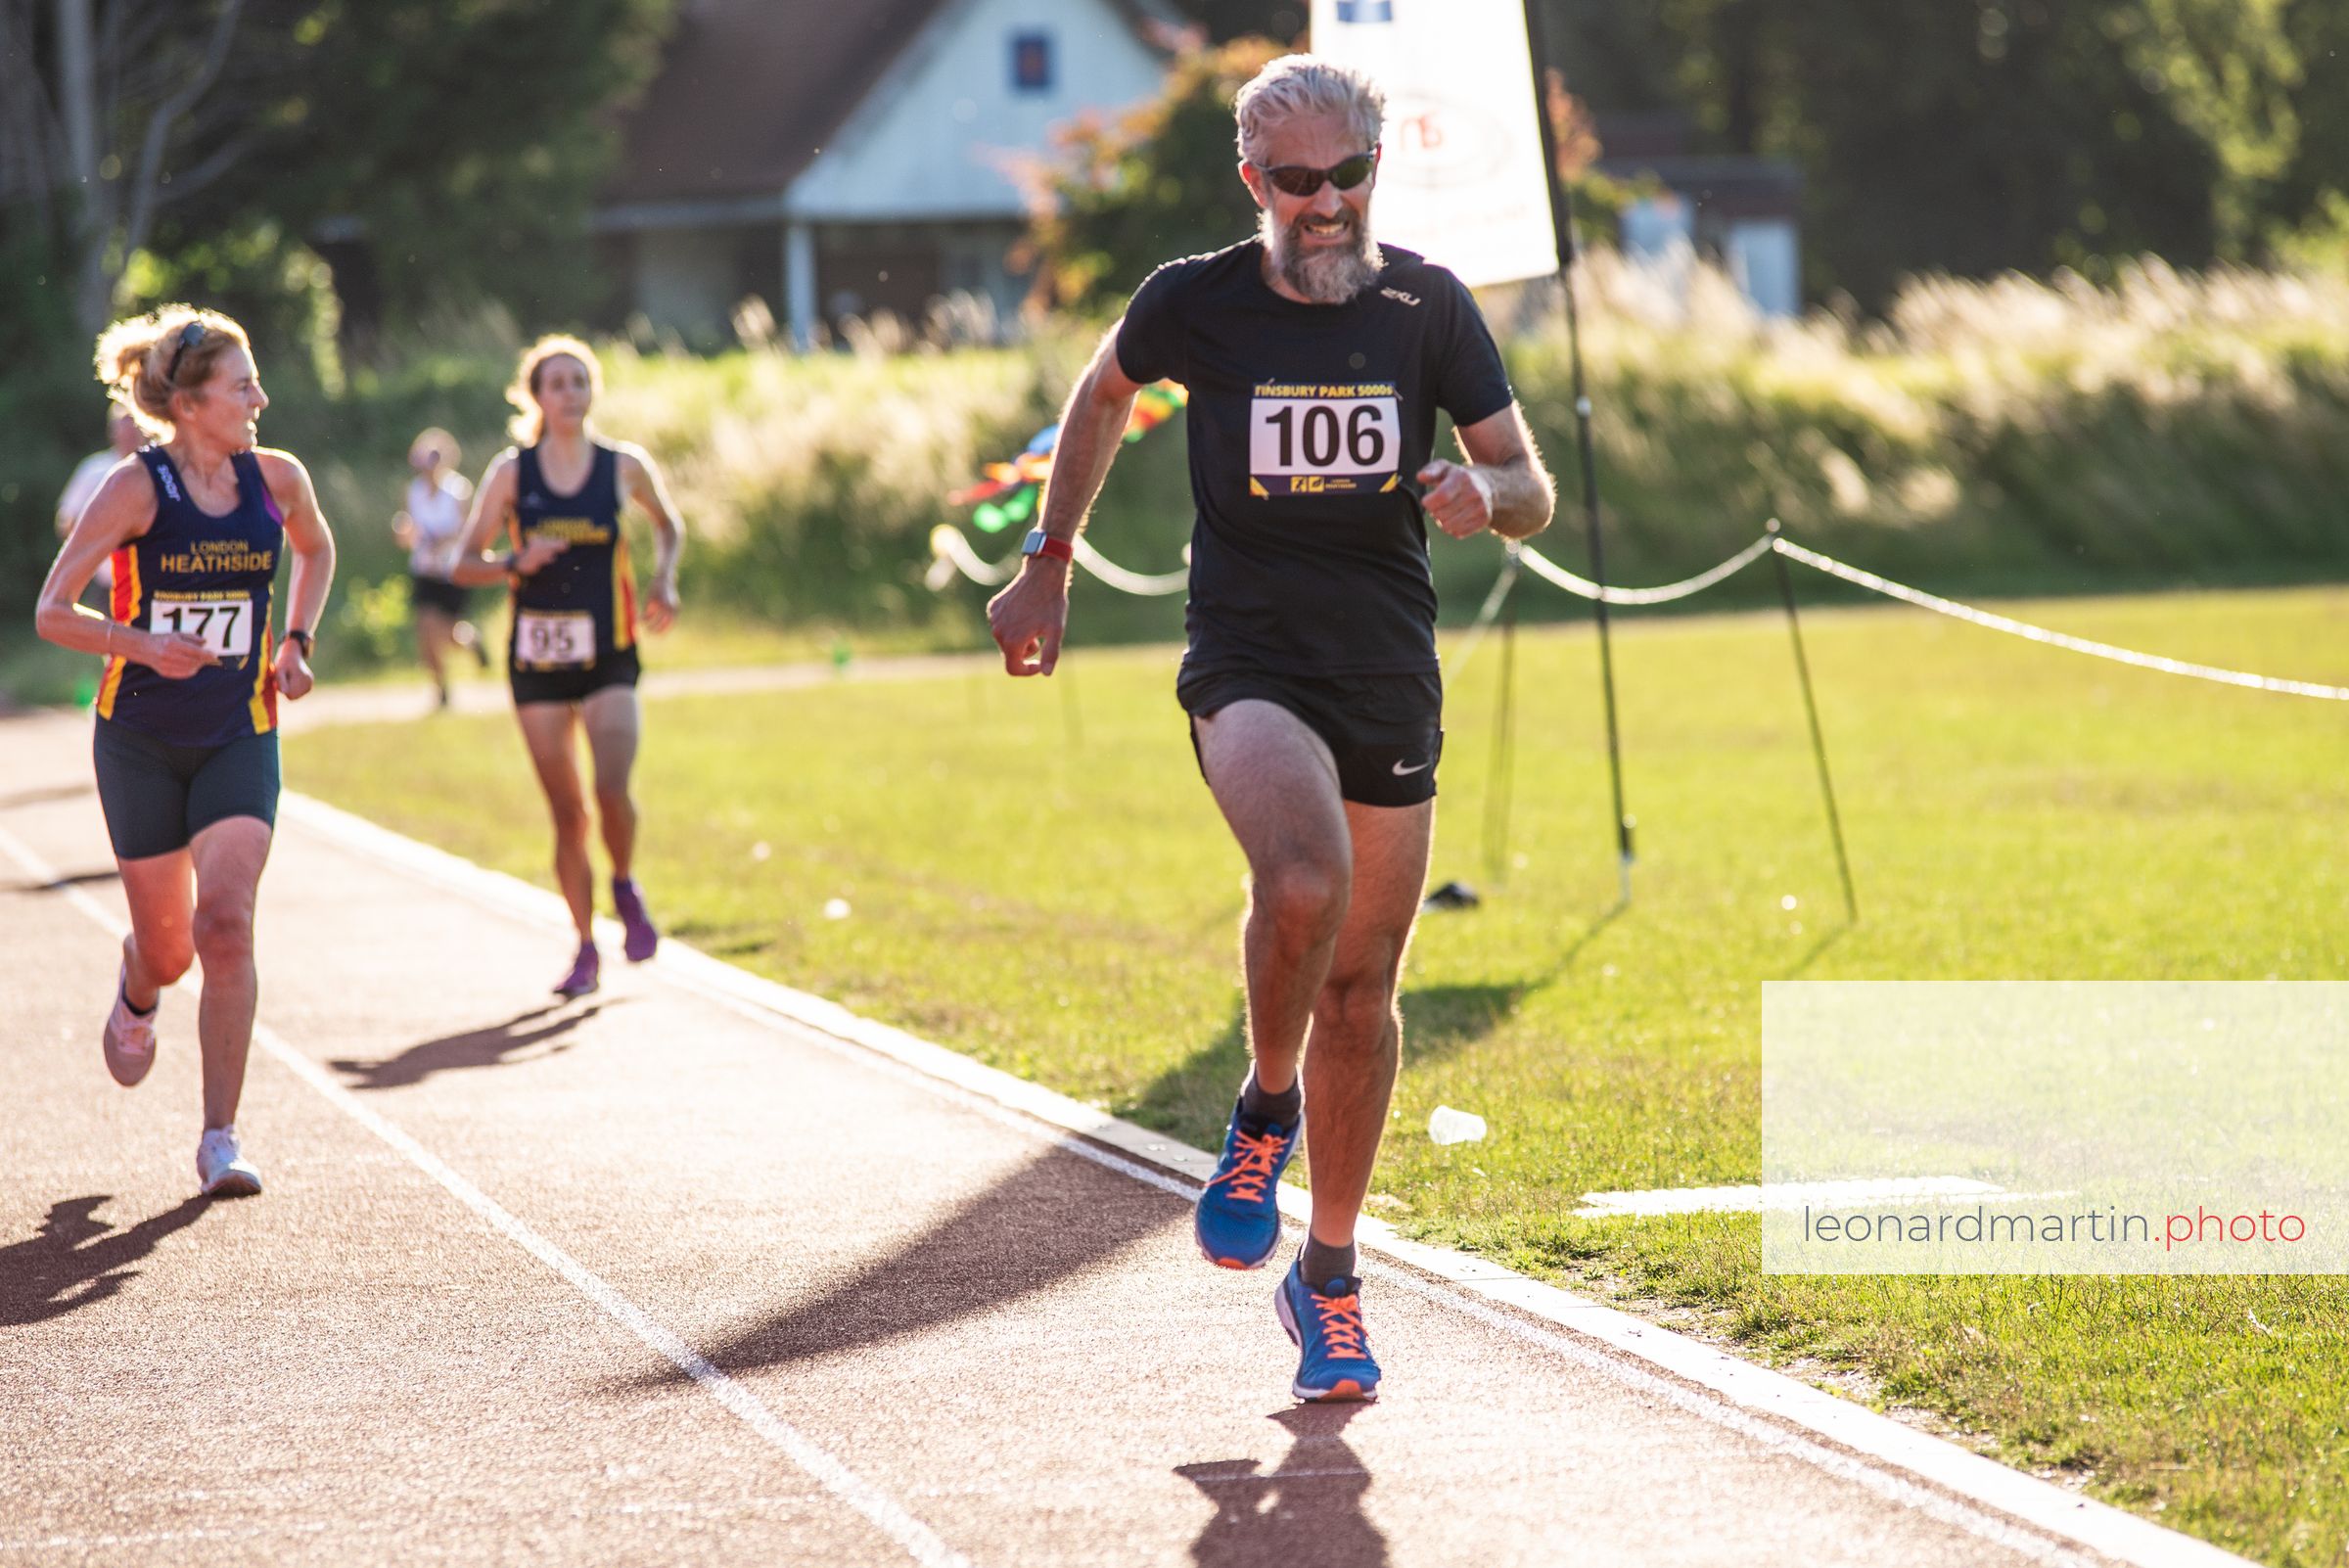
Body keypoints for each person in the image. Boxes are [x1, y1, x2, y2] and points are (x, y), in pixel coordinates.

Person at [987, 55, 1555, 1403]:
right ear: (1254, 182)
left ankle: (1331, 1279)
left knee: (1364, 988)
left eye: (1346, 174)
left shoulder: (1428, 306)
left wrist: (1486, 494)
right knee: (1303, 880)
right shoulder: (1194, 301)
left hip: (1388, 672)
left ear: (1375, 168)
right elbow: (1103, 394)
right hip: (1248, 661)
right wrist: (1049, 559)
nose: (1325, 201)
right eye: (1296, 180)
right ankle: (1264, 1107)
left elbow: (1528, 484)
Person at [33, 305, 338, 1197]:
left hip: (240, 733)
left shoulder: (277, 479)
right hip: (140, 741)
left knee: (226, 924)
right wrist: (144, 645)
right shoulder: (134, 488)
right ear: (193, 403)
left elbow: (316, 551)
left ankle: (218, 1138)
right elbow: (53, 611)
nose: (260, 400)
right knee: (170, 951)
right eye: (244, 386)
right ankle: (138, 985)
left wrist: (297, 642)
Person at [445, 336, 683, 997]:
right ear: (536, 397)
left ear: (591, 391)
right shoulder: (511, 474)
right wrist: (513, 563)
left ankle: (625, 883)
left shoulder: (623, 466)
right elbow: (462, 562)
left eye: (580, 381)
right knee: (568, 814)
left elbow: (668, 525)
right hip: (538, 663)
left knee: (611, 788)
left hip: (609, 653)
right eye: (557, 383)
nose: (570, 393)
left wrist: (664, 580)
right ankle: (583, 946)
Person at [393, 427, 486, 706]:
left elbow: (468, 529)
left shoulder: (458, 490)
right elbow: (411, 529)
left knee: (447, 632)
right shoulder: (415, 491)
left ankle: (470, 641)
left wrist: (442, 539)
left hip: (452, 570)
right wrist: (406, 532)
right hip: (425, 569)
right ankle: (441, 688)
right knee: (426, 630)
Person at [54, 402, 144, 597]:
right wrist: (89, 552)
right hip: (106, 579)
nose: (129, 432)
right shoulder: (94, 469)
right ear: (112, 430)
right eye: (124, 425)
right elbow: (67, 518)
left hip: (147, 577)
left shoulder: (157, 469)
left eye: (135, 425)